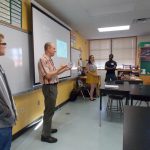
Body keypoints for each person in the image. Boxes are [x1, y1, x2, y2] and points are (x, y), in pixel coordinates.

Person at [38, 42, 70, 143]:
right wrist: (60, 68)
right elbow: (48, 75)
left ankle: (47, 129)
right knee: (49, 110)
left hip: (53, 86)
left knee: (51, 109)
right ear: (48, 48)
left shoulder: (50, 60)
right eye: (54, 48)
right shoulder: (42, 59)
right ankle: (45, 135)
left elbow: (55, 73)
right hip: (49, 87)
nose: (55, 50)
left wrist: (65, 69)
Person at [0, 33, 17, 150]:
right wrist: (7, 113)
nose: (5, 46)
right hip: (2, 123)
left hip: (5, 121)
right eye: (3, 43)